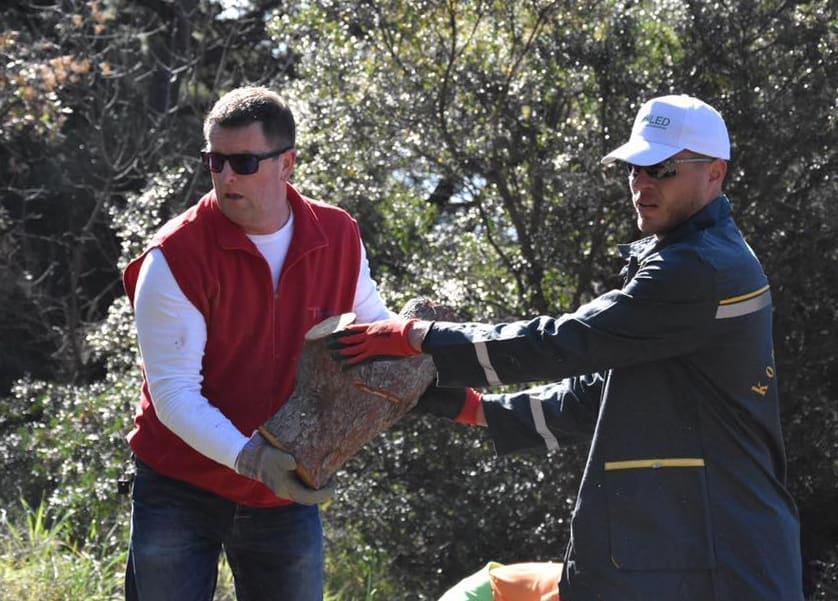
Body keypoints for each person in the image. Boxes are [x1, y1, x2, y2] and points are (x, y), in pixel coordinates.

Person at [331, 95, 805, 601]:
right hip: (690, 552)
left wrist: (418, 337)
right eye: (635, 169)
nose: (642, 184)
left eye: (662, 168)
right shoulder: (687, 259)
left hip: (714, 563)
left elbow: (566, 341)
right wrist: (476, 411)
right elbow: (602, 395)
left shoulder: (697, 269)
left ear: (716, 173)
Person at [121, 86, 391, 601]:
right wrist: (254, 461)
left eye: (243, 162)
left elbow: (371, 336)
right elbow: (174, 397)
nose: (225, 177)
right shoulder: (172, 258)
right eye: (215, 161)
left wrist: (441, 363)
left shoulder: (339, 235)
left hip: (285, 495)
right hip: (178, 486)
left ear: (287, 162)